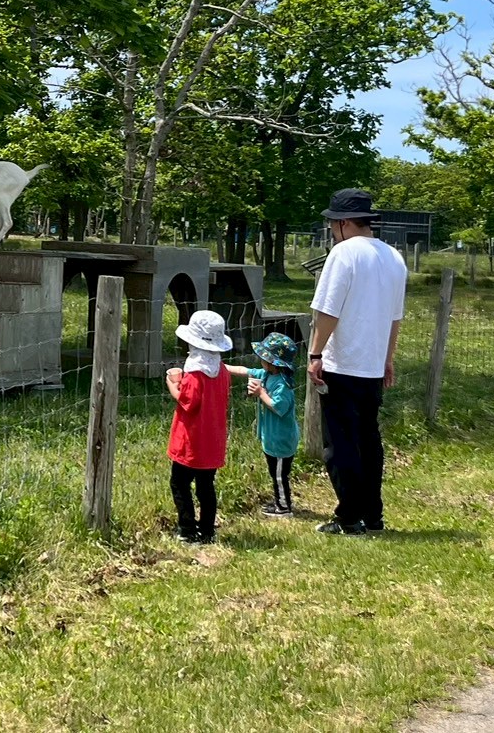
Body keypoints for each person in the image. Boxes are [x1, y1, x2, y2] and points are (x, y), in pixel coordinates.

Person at [307, 188, 407, 536]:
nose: (332, 230)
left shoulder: (344, 253)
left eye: (332, 224)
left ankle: (349, 516)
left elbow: (328, 311)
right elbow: (395, 317)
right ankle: (373, 514)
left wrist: (316, 353)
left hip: (342, 362)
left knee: (340, 444)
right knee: (368, 440)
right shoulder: (394, 257)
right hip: (372, 364)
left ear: (344, 223)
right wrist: (388, 358)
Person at [165, 309, 234, 544]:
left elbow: (188, 402)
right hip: (212, 440)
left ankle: (187, 529)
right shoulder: (222, 371)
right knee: (206, 486)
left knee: (180, 483)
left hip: (191, 441)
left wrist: (172, 384)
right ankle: (207, 531)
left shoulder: (195, 374)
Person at [242, 333, 301, 518]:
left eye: (263, 357)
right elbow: (245, 371)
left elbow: (278, 407)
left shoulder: (283, 386)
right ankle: (279, 501)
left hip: (281, 441)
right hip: (272, 439)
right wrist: (222, 367)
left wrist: (261, 393)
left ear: (273, 363)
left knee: (279, 476)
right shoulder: (267, 375)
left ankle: (284, 507)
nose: (260, 359)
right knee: (275, 473)